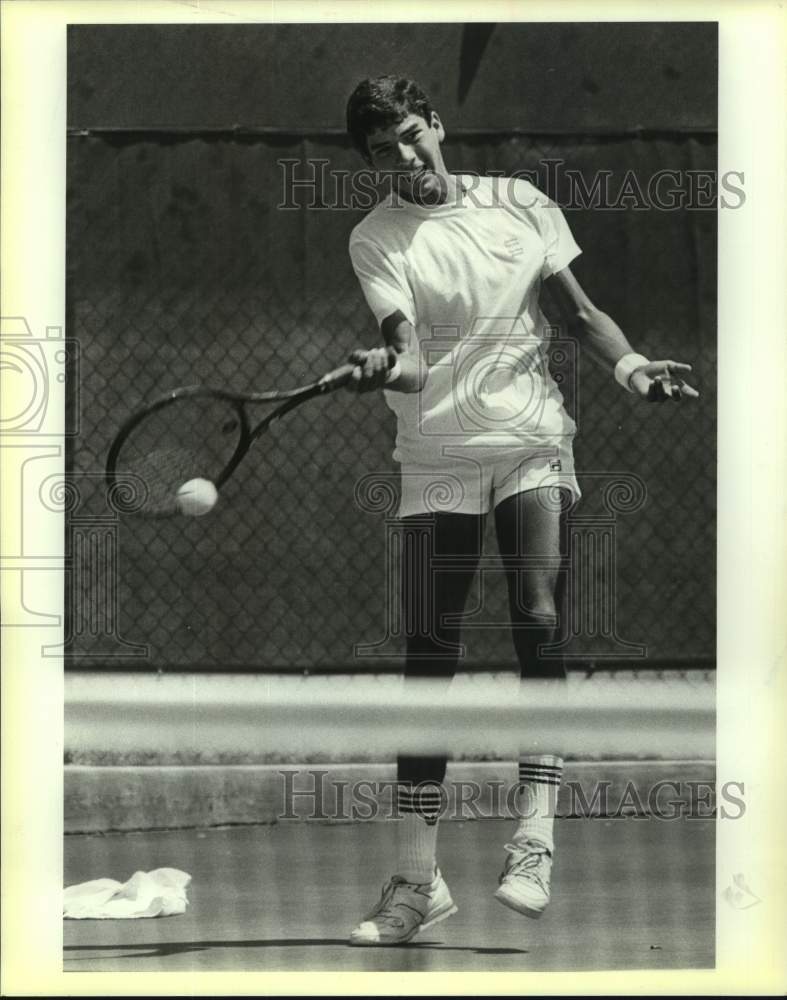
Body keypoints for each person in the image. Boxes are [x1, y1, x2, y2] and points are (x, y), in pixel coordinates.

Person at [343, 75, 698, 947]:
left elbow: (578, 316)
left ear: (435, 125)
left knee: (537, 618)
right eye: (381, 150)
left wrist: (634, 368)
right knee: (428, 652)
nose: (402, 157)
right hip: (434, 458)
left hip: (532, 442)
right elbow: (411, 360)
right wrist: (381, 367)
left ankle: (534, 837)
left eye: (410, 135)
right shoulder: (376, 238)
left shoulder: (521, 205)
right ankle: (415, 880)